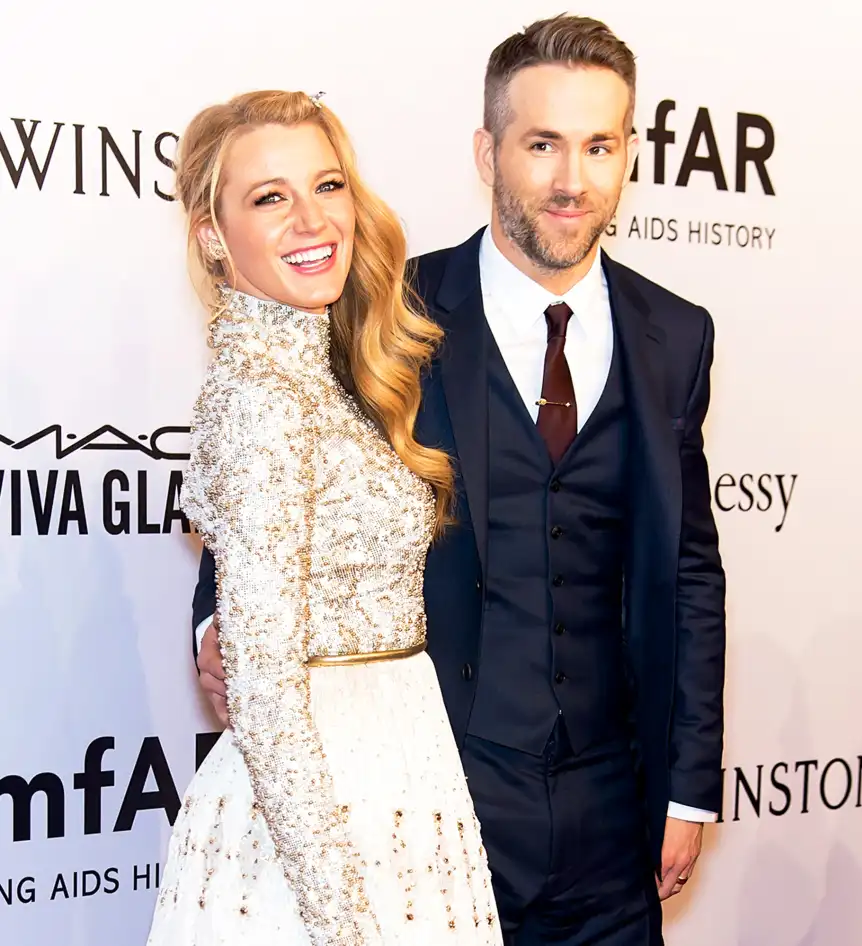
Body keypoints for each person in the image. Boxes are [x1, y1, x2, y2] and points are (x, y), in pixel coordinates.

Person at [194, 15, 726, 945]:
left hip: (613, 808)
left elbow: (689, 572)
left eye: (599, 146)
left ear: (628, 154)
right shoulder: (383, 311)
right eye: (542, 144)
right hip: (434, 799)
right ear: (488, 152)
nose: (572, 180)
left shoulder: (675, 335)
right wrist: (215, 618)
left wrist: (690, 783)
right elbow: (273, 471)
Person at [147, 90, 503, 946]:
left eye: (328, 185)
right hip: (314, 828)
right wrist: (344, 923)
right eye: (269, 197)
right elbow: (263, 694)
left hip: (399, 780)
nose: (314, 219)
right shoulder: (262, 399)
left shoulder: (332, 374)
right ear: (211, 235)